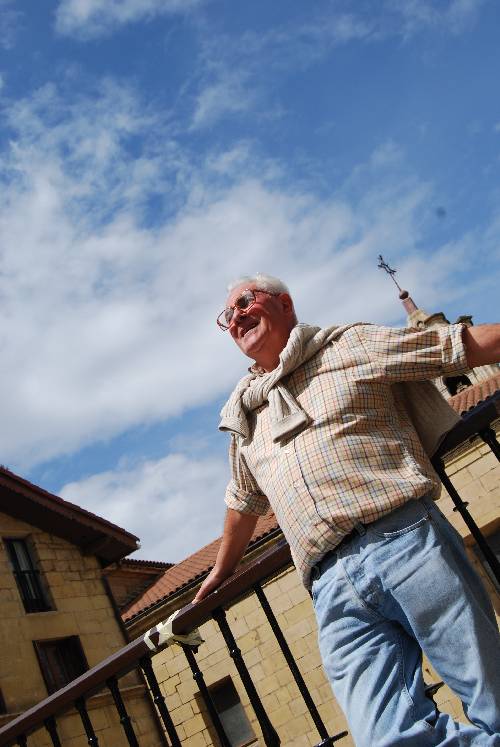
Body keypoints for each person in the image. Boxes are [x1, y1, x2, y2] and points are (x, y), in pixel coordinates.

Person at [194, 273, 500, 746]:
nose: (236, 318)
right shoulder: (244, 416)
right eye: (227, 316)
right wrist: (222, 568)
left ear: (284, 304)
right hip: (329, 586)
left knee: (491, 698)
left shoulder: (345, 345)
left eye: (245, 302)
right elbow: (242, 500)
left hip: (405, 541)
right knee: (384, 737)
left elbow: (453, 347)